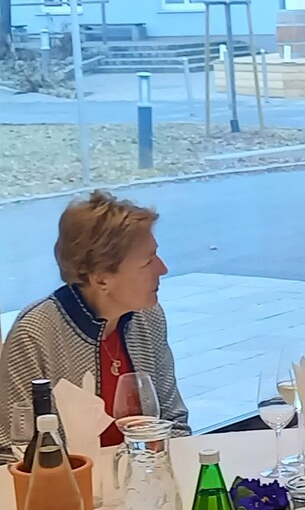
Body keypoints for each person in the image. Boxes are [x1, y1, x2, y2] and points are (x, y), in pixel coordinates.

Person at [2, 191, 188, 453]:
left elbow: (174, 423)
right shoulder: (35, 334)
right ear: (101, 279)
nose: (163, 269)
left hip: (143, 472)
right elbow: (10, 450)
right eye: (148, 261)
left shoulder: (147, 318)